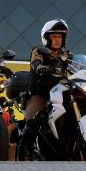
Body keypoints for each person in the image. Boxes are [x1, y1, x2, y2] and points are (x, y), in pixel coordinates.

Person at [19, 19, 72, 155]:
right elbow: (35, 63)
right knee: (31, 124)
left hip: (61, 92)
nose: (57, 40)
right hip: (40, 93)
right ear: (46, 38)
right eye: (54, 36)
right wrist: (41, 67)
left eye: (59, 36)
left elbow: (76, 67)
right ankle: (25, 153)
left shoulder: (66, 55)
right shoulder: (39, 51)